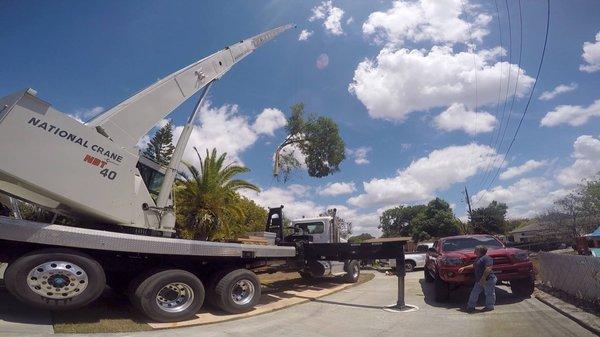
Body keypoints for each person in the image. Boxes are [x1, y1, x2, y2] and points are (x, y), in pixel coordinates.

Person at [458, 245, 496, 313]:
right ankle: (471, 307)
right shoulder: (478, 258)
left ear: (480, 251)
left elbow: (488, 268)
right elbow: (474, 265)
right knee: (474, 293)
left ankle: (489, 307)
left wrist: (483, 278)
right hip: (479, 280)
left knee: (489, 293)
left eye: (476, 250)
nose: (474, 251)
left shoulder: (487, 258)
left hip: (488, 279)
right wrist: (464, 268)